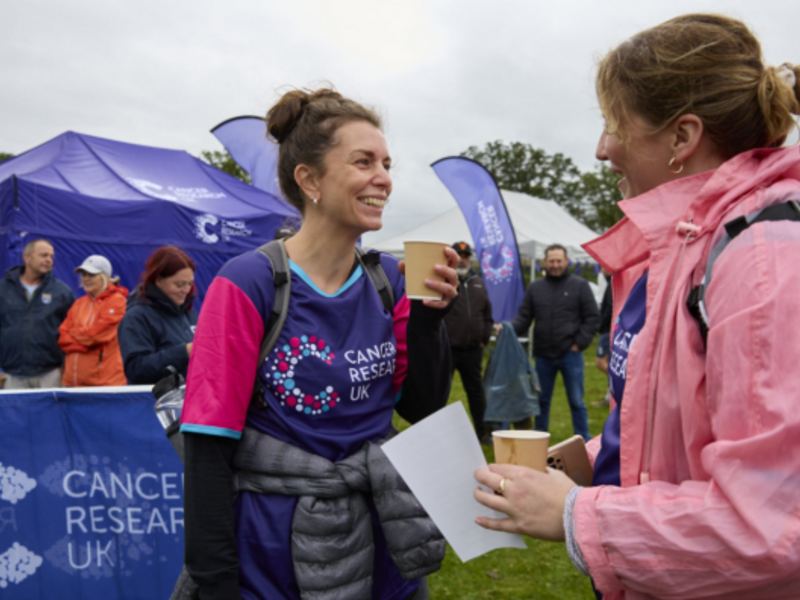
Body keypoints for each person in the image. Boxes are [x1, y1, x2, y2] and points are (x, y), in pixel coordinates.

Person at [474, 14, 800, 600]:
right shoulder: (682, 244)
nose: (602, 150)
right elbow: (671, 424)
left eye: (613, 124)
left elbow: (773, 523)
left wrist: (576, 515)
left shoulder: (763, 260)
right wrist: (578, 463)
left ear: (682, 137)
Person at [179, 87, 458, 600]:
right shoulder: (250, 283)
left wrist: (427, 322)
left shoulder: (389, 280)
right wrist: (217, 582)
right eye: (363, 161)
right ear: (309, 179)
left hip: (380, 529)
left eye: (387, 163)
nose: (384, 178)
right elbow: (207, 446)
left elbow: (422, 406)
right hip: (272, 544)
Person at [511, 244, 599, 441]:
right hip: (543, 355)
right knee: (542, 400)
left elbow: (593, 317)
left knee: (577, 401)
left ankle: (583, 439)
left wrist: (579, 343)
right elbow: (524, 316)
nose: (555, 265)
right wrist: (508, 329)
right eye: (551, 261)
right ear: (545, 262)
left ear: (567, 261)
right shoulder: (535, 287)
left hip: (571, 354)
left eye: (559, 260)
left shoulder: (580, 285)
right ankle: (539, 439)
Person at [0, 239, 74, 389]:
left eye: (51, 257)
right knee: (14, 414)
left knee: (52, 414)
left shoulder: (62, 292)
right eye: (44, 255)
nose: (49, 260)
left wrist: (64, 367)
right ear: (27, 258)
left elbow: (73, 332)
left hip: (51, 375)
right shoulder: (3, 290)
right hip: (11, 375)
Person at [118, 246, 198, 385]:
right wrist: (184, 352)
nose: (186, 290)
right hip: (152, 403)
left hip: (189, 402)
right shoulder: (137, 316)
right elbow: (136, 370)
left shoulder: (189, 313)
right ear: (158, 280)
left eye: (189, 284)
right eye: (179, 284)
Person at [444, 241, 493, 442]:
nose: (462, 259)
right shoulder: (443, 282)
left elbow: (487, 314)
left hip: (473, 350)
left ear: (470, 259)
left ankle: (482, 433)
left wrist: (484, 337)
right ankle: (439, 436)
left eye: (465, 256)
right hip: (448, 350)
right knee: (441, 393)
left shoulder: (479, 283)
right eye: (458, 255)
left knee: (476, 393)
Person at [58, 255, 128, 387]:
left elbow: (95, 335)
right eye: (84, 274)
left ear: (104, 276)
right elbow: (63, 337)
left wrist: (74, 335)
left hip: (105, 384)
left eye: (91, 274)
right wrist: (86, 345)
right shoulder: (79, 303)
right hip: (72, 383)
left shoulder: (117, 301)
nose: (86, 278)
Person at [592, 267, 612, 407]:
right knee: (611, 363)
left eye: (603, 266)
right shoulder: (609, 281)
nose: (601, 269)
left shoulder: (613, 282)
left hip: (608, 329)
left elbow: (610, 307)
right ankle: (610, 396)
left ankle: (622, 387)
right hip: (611, 328)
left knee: (600, 362)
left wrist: (600, 326)